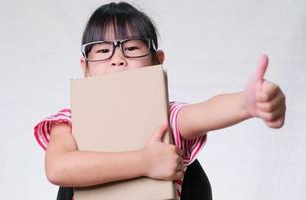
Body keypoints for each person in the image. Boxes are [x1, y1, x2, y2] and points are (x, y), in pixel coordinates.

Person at [34, 2, 286, 199]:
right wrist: (146, 162)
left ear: (157, 61)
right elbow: (58, 167)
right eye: (102, 50)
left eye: (132, 48)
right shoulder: (70, 121)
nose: (117, 58)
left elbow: (205, 112)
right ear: (85, 67)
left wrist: (246, 103)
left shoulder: (166, 119)